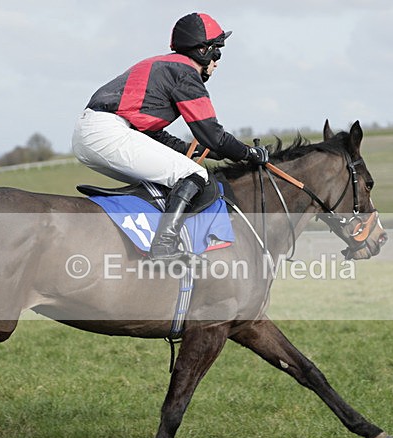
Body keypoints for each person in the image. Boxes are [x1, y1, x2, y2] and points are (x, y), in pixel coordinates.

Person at [72, 12, 268, 260]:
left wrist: (193, 149)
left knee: (165, 181)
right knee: (195, 175)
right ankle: (163, 246)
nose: (217, 62)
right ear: (202, 51)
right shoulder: (186, 74)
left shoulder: (164, 65)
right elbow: (212, 135)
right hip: (107, 132)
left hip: (92, 133)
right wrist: (249, 153)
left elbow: (153, 134)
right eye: (216, 52)